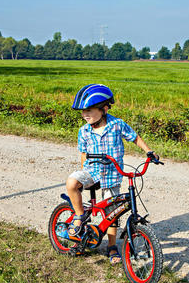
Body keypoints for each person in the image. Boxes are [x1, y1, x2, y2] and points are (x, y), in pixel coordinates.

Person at [66, 83, 159, 265]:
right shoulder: (83, 131)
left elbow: (135, 137)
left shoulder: (117, 125)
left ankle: (111, 246)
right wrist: (85, 174)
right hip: (92, 171)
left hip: (112, 175)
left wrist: (149, 152)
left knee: (112, 214)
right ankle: (79, 214)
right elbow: (83, 154)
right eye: (83, 111)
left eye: (89, 110)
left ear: (104, 108)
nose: (85, 114)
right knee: (71, 183)